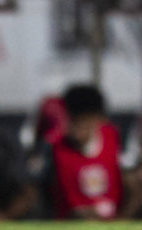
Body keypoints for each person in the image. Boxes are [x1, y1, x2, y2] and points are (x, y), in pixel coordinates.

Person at [45, 84, 133, 220]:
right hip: (70, 225)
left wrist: (121, 219)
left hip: (113, 222)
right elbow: (41, 192)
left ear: (98, 119)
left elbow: (133, 185)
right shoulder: (54, 146)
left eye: (83, 120)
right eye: (73, 119)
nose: (77, 127)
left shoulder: (114, 139)